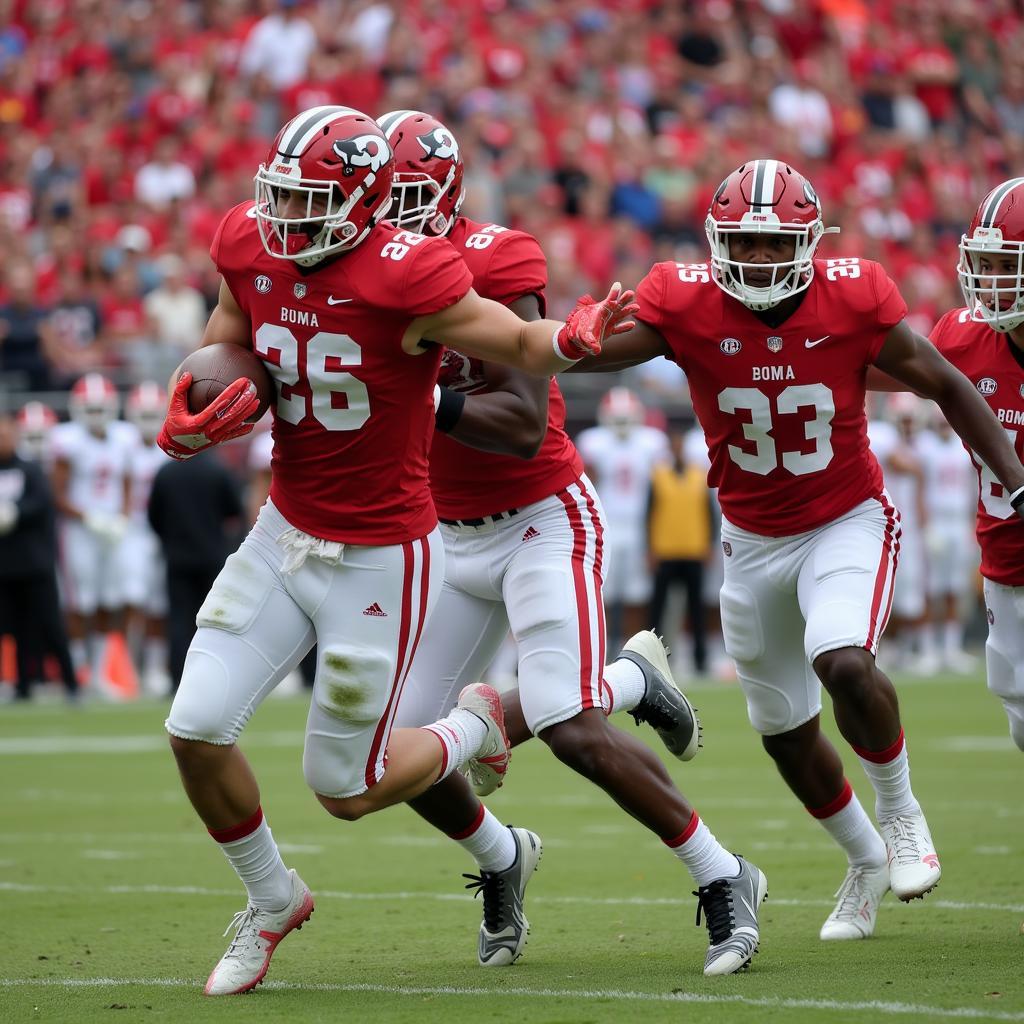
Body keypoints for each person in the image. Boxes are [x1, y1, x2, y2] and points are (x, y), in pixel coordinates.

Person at [155, 105, 635, 997]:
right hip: (284, 530)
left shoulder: (409, 272)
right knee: (193, 728)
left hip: (383, 554)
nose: (284, 219)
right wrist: (200, 393)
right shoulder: (249, 242)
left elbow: (517, 341)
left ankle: (477, 724)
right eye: (280, 197)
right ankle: (271, 900)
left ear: (366, 202)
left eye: (308, 202)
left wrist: (567, 340)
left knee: (344, 785)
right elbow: (228, 333)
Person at [570, 159, 1024, 942]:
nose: (756, 260)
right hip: (749, 540)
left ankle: (901, 812)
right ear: (716, 243)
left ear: (810, 241)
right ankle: (864, 859)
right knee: (782, 730)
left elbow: (946, 380)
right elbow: (594, 350)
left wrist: (1016, 482)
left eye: (773, 242)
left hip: (845, 518)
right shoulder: (685, 301)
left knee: (842, 658)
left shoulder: (854, 294)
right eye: (741, 244)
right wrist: (568, 335)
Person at [378, 110, 755, 979]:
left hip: (539, 514)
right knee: (392, 755)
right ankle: (505, 850)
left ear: (441, 196)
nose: (379, 217)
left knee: (568, 724)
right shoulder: (353, 273)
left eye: (396, 199)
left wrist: (415, 395)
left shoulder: (497, 259)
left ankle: (725, 872)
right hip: (439, 531)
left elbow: (514, 425)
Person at [872, 177, 1024, 750]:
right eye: (982, 262)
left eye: (1003, 263)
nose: (989, 280)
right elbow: (860, 364)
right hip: (1005, 565)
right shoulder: (962, 338)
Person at [50, 373, 135, 695]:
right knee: (78, 602)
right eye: (91, 409)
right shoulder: (67, 440)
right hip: (78, 531)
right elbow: (55, 493)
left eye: (102, 409)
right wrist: (89, 518)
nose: (97, 416)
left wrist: (123, 517)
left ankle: (99, 673)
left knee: (108, 599)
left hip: (111, 530)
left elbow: (127, 482)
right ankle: (77, 670)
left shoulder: (123, 438)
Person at [576, 387, 669, 648]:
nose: (622, 425)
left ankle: (633, 649)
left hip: (641, 526)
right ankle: (602, 647)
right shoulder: (592, 441)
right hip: (605, 525)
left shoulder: (652, 442)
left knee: (637, 593)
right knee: (601, 590)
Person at [147, 447, 243, 692]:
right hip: (211, 555)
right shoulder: (217, 470)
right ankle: (213, 678)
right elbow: (234, 510)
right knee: (213, 620)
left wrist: (170, 539)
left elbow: (153, 516)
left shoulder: (166, 472)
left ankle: (178, 678)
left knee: (179, 619)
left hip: (177, 556)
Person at [0, 409, 78, 702]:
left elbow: (41, 503)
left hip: (35, 563)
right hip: (5, 565)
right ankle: (23, 685)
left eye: (6, 434)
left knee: (50, 623)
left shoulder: (30, 469)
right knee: (14, 628)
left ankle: (71, 683)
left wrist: (15, 512)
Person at [647, 424, 714, 677]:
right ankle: (652, 656)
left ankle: (700, 659)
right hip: (665, 550)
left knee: (697, 609)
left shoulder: (698, 475)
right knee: (658, 608)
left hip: (693, 549)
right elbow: (649, 513)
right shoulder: (658, 476)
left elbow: (708, 513)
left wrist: (707, 545)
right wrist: (650, 549)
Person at [120, 383, 171, 695]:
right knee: (132, 600)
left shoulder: (172, 446)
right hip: (130, 532)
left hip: (161, 534)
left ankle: (153, 667)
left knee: (158, 604)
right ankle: (126, 667)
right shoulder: (122, 444)